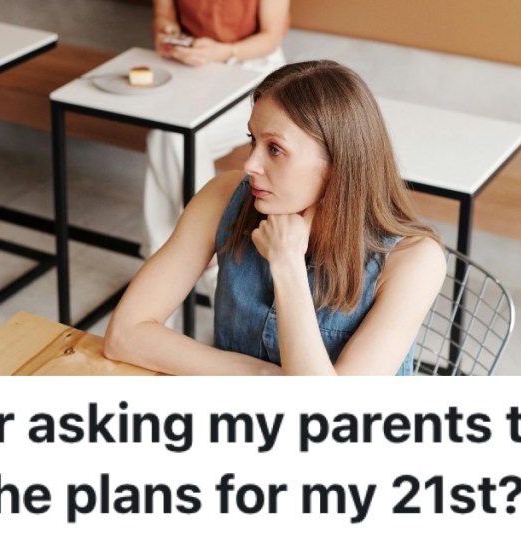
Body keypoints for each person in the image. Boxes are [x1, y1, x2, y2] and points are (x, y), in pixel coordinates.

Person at [106, 60, 447, 375]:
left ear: (337, 166)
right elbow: (124, 334)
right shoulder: (224, 196)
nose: (250, 165)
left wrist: (287, 264)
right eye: (252, 140)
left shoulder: (415, 260)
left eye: (275, 149)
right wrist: (263, 377)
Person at [144, 0, 289, 266]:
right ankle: (203, 255)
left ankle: (175, 257)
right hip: (193, 70)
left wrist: (223, 51)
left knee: (174, 136)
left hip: (255, 74)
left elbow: (271, 35)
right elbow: (163, 14)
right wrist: (170, 35)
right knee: (165, 134)